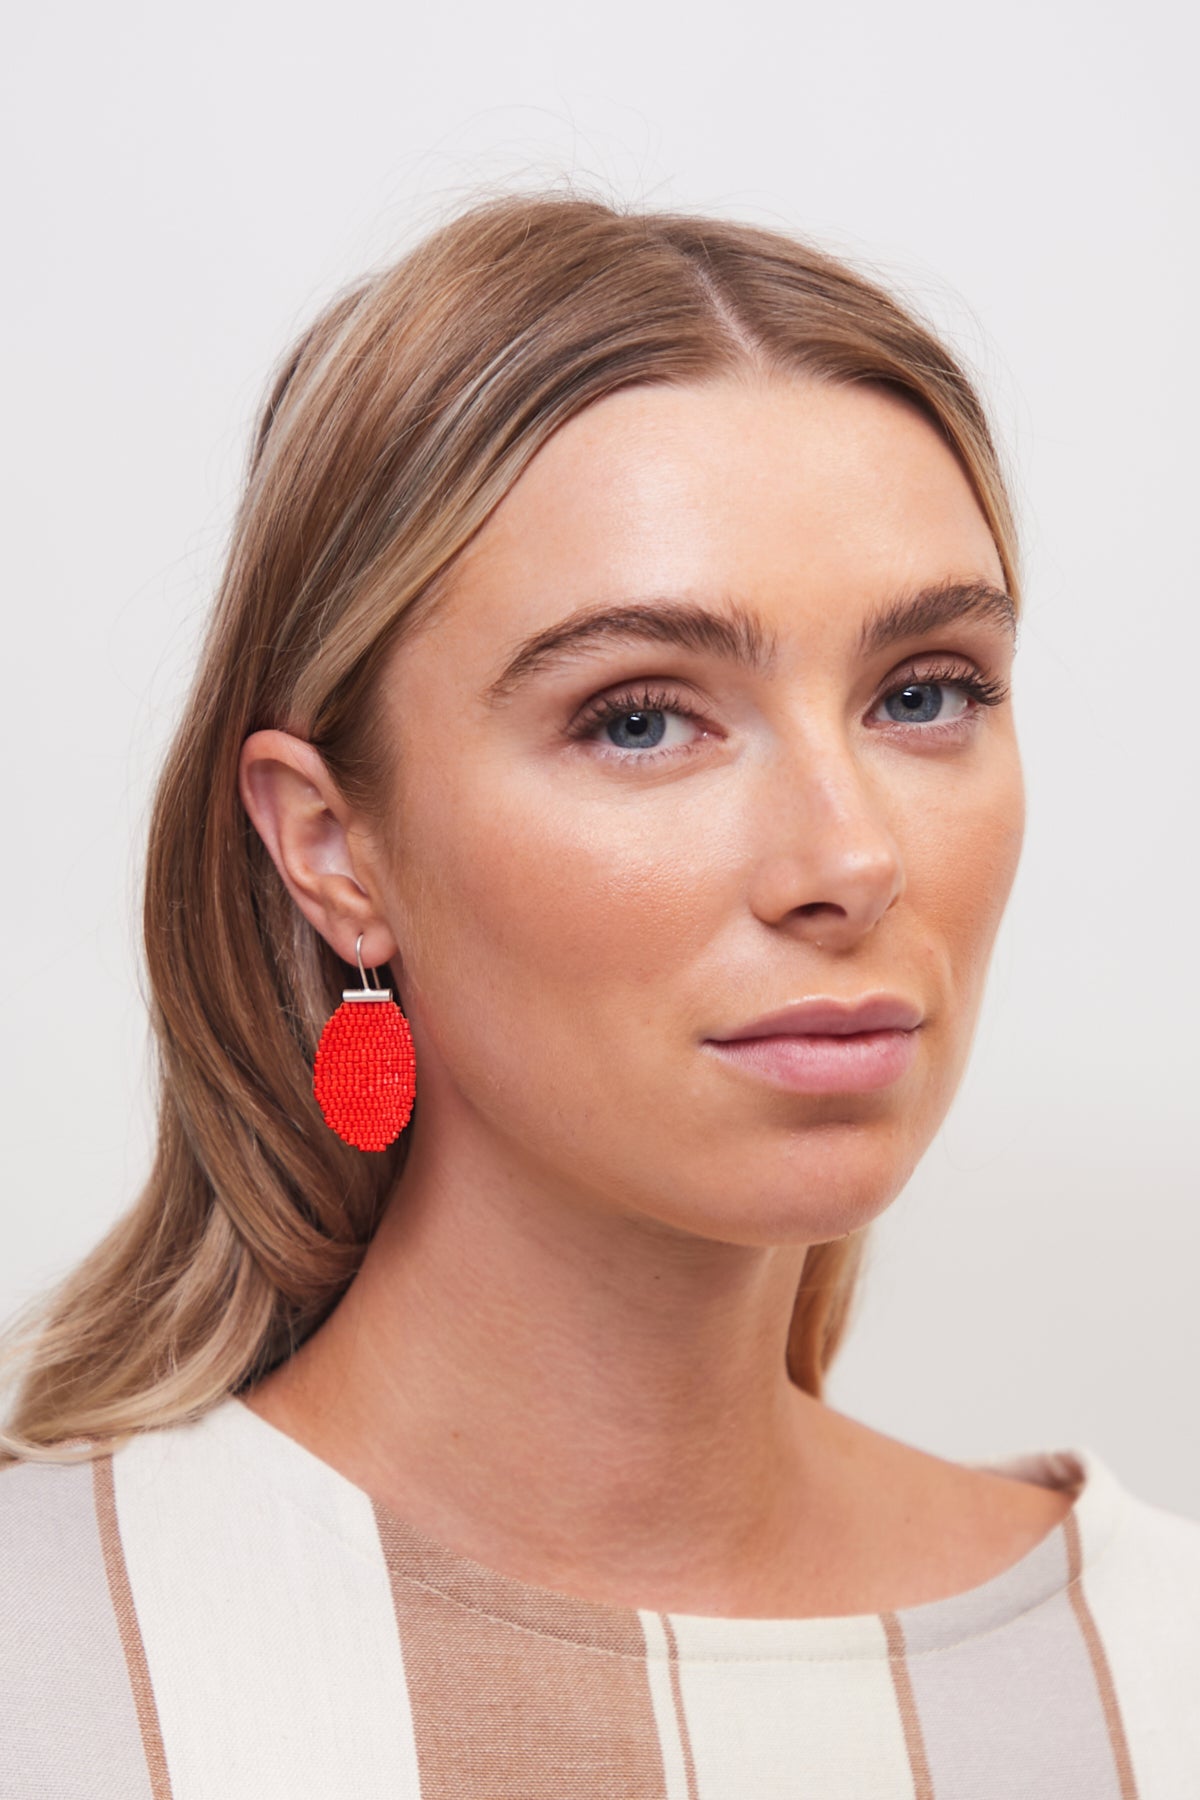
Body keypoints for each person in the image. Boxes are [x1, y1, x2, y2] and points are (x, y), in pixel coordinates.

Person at [2, 188, 1197, 1798]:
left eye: (926, 694)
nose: (851, 858)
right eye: (640, 719)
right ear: (332, 847)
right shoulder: (49, 1664)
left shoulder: (1158, 1672)